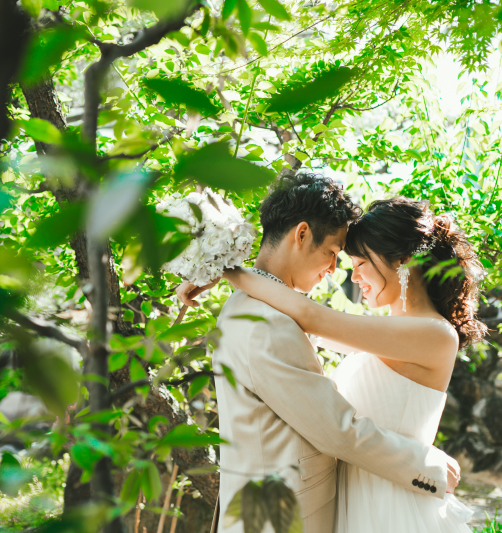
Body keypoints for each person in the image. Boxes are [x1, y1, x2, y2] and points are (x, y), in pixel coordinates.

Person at [177, 176, 461, 533]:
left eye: (358, 262)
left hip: (384, 503)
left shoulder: (427, 334)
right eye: (334, 253)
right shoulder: (264, 322)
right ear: (301, 235)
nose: (337, 272)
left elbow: (316, 319)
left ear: (401, 261)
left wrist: (226, 269)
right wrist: (223, 268)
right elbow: (337, 430)